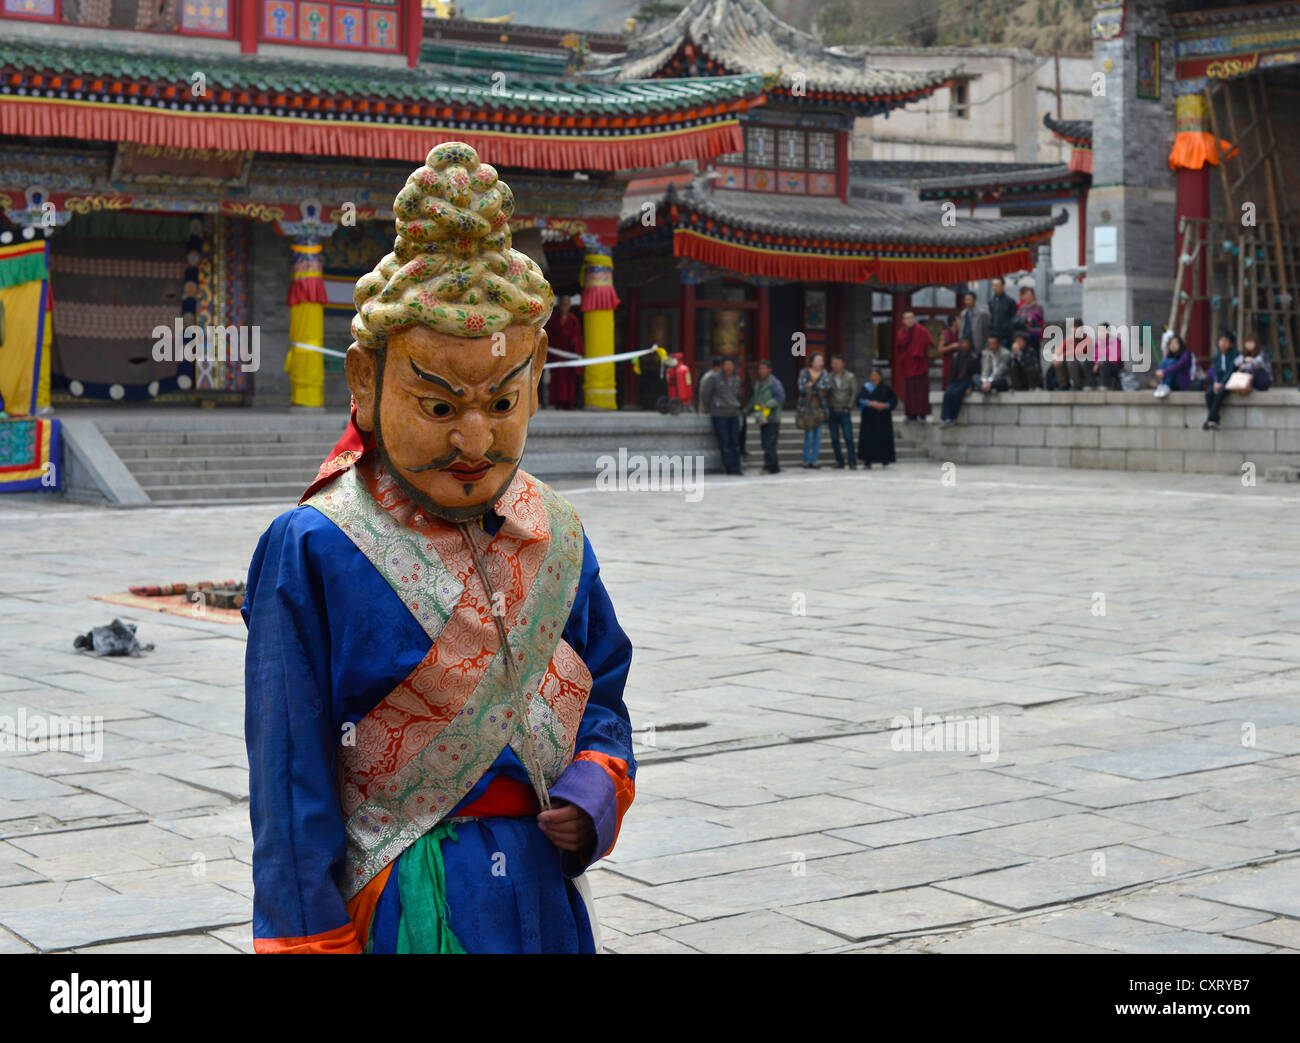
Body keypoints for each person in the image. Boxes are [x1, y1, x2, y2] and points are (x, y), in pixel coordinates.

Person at [243, 142, 635, 955]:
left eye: (502, 400)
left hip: (544, 889)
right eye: (437, 403)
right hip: (402, 895)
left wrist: (596, 785)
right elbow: (290, 780)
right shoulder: (314, 546)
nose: (474, 437)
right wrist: (309, 940)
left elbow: (604, 687)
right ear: (364, 380)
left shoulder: (555, 533)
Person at [1204, 333, 1270, 429]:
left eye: (1225, 341)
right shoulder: (1217, 356)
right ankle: (1213, 419)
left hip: (1253, 381)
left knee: (1220, 393)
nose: (1222, 343)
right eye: (1247, 342)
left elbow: (1235, 369)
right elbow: (1215, 372)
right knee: (1209, 394)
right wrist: (1216, 383)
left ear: (1231, 344)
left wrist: (1244, 364)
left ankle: (1211, 420)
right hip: (1222, 382)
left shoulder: (1259, 352)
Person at [702, 355, 743, 474]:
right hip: (719, 414)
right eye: (726, 365)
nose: (728, 367)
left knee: (735, 442)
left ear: (733, 366)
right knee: (725, 442)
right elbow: (706, 395)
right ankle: (730, 468)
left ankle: (737, 467)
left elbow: (737, 396)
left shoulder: (737, 379)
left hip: (733, 413)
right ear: (722, 366)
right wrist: (711, 408)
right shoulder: (714, 378)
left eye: (730, 365)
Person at [544, 294, 582, 409]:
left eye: (566, 305)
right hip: (556, 353)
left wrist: (574, 344)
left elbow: (577, 336)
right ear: (559, 306)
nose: (564, 307)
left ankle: (569, 402)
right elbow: (549, 335)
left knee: (569, 380)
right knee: (557, 379)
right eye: (562, 305)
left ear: (570, 306)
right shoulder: (553, 319)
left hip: (568, 353)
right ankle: (557, 402)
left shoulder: (573, 319)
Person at [894, 310, 933, 420]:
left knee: (921, 390)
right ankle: (910, 413)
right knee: (909, 391)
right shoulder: (901, 333)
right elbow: (899, 348)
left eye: (911, 317)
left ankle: (922, 413)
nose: (910, 320)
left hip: (919, 365)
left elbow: (929, 344)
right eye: (907, 318)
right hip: (907, 365)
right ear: (903, 321)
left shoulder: (922, 330)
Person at [748, 359, 785, 473]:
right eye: (760, 368)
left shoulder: (774, 383)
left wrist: (768, 404)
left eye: (764, 368)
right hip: (762, 417)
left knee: (770, 443)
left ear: (769, 370)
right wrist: (747, 410)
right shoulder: (758, 383)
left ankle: (768, 466)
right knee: (766, 443)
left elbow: (780, 397)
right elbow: (755, 399)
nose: (762, 371)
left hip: (772, 418)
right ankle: (775, 466)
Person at [857, 367, 898, 469]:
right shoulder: (866, 387)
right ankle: (867, 461)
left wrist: (885, 405)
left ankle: (885, 460)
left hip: (883, 418)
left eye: (876, 375)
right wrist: (870, 403)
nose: (874, 377)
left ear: (880, 377)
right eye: (872, 375)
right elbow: (859, 399)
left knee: (883, 439)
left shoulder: (886, 388)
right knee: (868, 440)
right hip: (869, 418)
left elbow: (893, 400)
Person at [797, 351, 832, 468]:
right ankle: (806, 459)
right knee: (809, 435)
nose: (820, 363)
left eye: (821, 361)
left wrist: (812, 387)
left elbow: (826, 388)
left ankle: (814, 460)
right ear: (811, 362)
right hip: (807, 408)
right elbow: (802, 387)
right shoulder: (804, 372)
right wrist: (816, 389)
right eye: (817, 360)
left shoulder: (824, 373)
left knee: (818, 435)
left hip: (820, 407)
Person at [826, 355, 858, 469]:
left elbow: (853, 393)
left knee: (848, 437)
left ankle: (852, 461)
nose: (835, 365)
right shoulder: (828, 377)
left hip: (844, 410)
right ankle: (839, 461)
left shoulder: (850, 377)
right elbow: (826, 393)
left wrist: (849, 407)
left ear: (843, 363)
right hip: (833, 409)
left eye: (837, 363)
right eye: (833, 363)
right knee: (834, 438)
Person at [940, 337, 980, 424]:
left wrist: (971, 387)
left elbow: (976, 374)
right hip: (956, 380)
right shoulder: (956, 356)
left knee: (956, 393)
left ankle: (953, 417)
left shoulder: (974, 357)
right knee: (948, 393)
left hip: (966, 381)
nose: (964, 345)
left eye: (967, 343)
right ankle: (945, 417)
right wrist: (949, 384)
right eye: (963, 343)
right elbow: (952, 372)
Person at [958, 291, 990, 365]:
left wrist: (984, 346)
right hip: (965, 345)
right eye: (966, 300)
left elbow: (986, 331)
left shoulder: (982, 314)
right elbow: (961, 330)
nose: (967, 302)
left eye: (969, 299)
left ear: (974, 300)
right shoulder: (963, 313)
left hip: (976, 345)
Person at [1011, 285, 1044, 351]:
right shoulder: (1021, 307)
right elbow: (1015, 320)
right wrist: (1025, 321)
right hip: (1023, 336)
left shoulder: (1038, 307)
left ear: (1033, 295)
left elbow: (1032, 320)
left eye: (1029, 294)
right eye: (1025, 294)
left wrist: (1023, 321)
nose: (1027, 296)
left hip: (1034, 336)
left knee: (1034, 355)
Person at [988, 276, 1017, 349]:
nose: (994, 287)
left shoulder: (1010, 301)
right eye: (993, 285)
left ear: (1003, 286)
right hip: (994, 336)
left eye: (997, 285)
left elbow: (1014, 319)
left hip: (1006, 337)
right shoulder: (991, 302)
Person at [1094, 322, 1124, 390]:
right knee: (1087, 362)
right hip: (1100, 366)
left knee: (1105, 362)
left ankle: (1106, 385)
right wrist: (1097, 362)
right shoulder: (1097, 343)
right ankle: (1092, 385)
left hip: (1114, 367)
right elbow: (1095, 356)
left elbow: (1116, 357)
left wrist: (1099, 361)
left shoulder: (1115, 341)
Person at [936, 314, 961, 389]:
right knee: (947, 384)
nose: (960, 322)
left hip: (959, 362)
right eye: (958, 320)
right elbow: (940, 350)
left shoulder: (961, 332)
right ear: (953, 322)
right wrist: (951, 346)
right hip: (948, 362)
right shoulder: (945, 334)